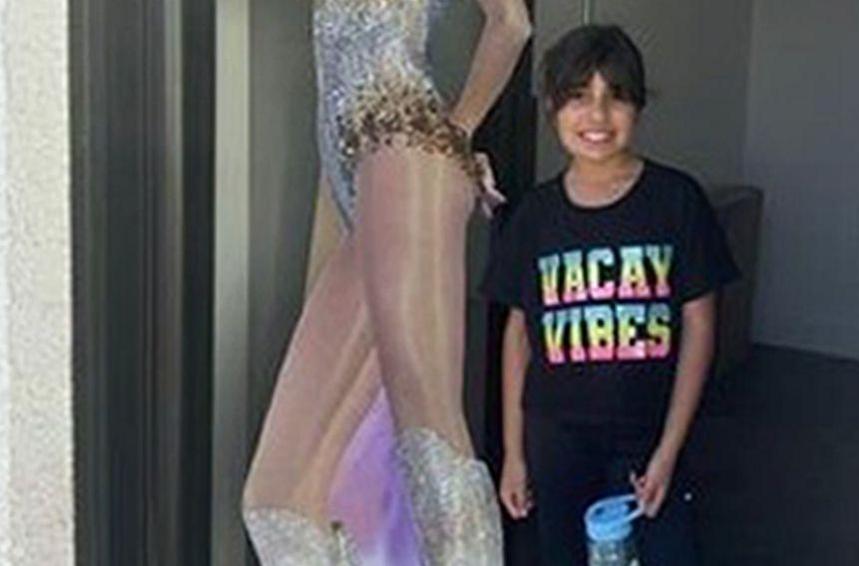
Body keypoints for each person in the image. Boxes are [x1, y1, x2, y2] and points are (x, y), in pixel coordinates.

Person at [241, 0, 531, 564]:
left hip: (405, 143)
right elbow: (334, 99)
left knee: (431, 442)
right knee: (275, 499)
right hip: (357, 172)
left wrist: (457, 134)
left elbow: (512, 24)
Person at [482, 25, 740, 565]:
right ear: (552, 106)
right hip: (556, 441)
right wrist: (514, 455)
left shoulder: (676, 201)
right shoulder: (533, 217)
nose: (597, 117)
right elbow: (518, 335)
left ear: (638, 108)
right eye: (578, 97)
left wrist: (669, 451)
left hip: (648, 437)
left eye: (615, 96)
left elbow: (699, 325)